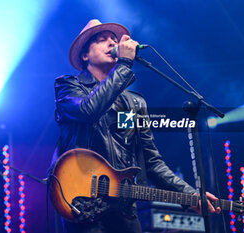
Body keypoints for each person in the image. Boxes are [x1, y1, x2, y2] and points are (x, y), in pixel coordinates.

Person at [51, 19, 220, 233]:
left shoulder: (133, 104)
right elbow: (88, 110)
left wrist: (190, 194)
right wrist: (123, 65)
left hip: (124, 208)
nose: (111, 44)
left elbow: (151, 161)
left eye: (114, 40)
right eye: (101, 40)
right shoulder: (68, 87)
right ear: (85, 55)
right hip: (83, 203)